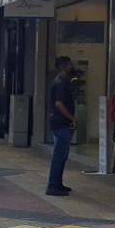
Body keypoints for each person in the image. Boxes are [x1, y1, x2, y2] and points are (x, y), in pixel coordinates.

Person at [46, 56, 77, 196]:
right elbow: (59, 103)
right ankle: (53, 185)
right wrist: (71, 117)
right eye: (69, 64)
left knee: (61, 154)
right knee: (60, 154)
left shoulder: (61, 81)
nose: (72, 67)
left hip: (60, 122)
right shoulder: (61, 83)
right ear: (64, 66)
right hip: (62, 123)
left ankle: (57, 183)